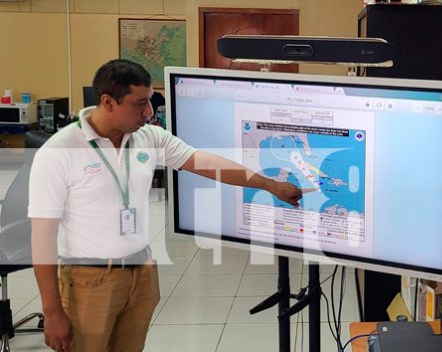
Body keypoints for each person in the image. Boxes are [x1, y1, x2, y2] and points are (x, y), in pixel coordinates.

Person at [28, 59, 302, 352]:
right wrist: (53, 310)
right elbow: (42, 236)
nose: (148, 112)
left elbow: (207, 163)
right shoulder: (60, 151)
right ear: (108, 102)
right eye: (140, 103)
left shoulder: (149, 138)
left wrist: (270, 185)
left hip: (141, 273)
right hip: (89, 281)